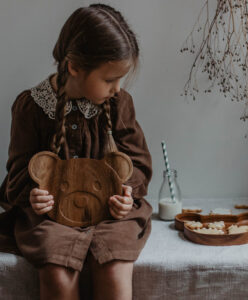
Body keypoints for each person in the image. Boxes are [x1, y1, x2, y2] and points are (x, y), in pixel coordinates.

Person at [0, 4, 152, 299]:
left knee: (112, 264)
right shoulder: (31, 107)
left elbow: (139, 164)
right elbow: (18, 174)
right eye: (110, 79)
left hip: (110, 214)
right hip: (52, 218)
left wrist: (125, 193)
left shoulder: (120, 104)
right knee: (58, 271)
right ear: (74, 67)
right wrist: (35, 193)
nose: (117, 88)